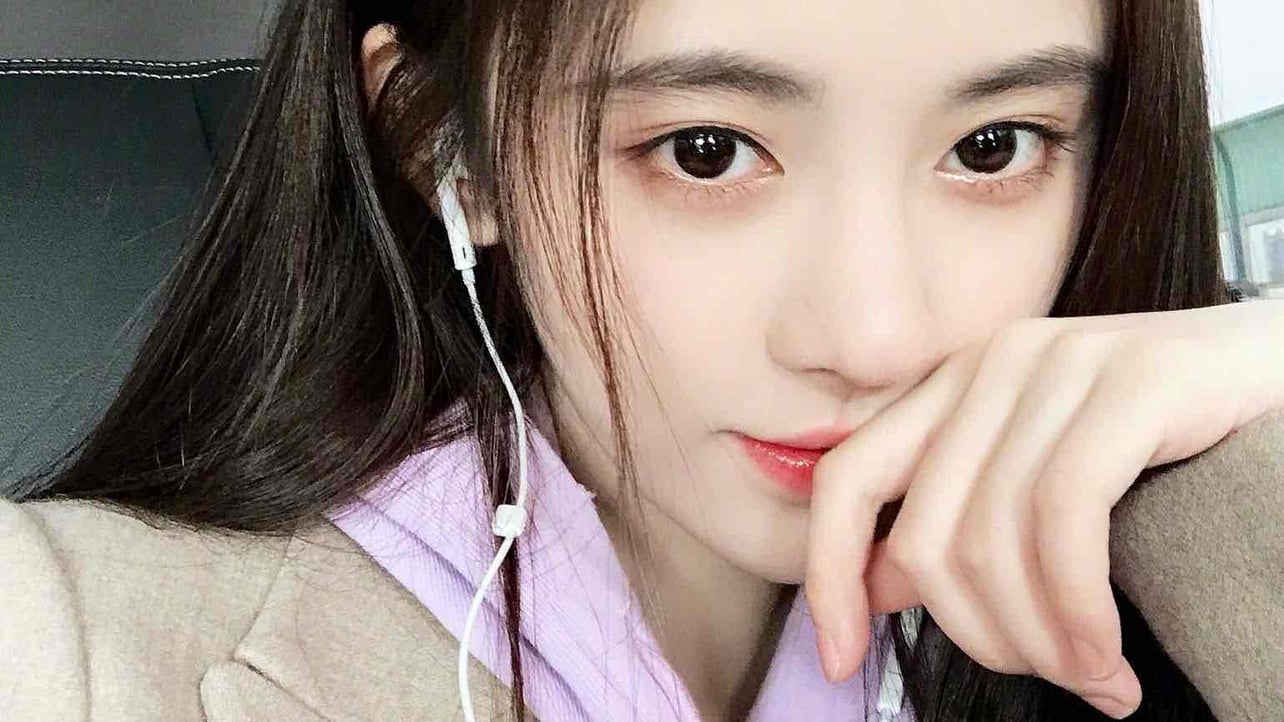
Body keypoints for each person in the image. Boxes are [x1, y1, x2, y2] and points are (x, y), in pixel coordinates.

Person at [2, 0, 1283, 720]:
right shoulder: (62, 638)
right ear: (449, 148)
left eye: (994, 146)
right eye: (707, 151)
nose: (875, 336)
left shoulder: (1139, 600)